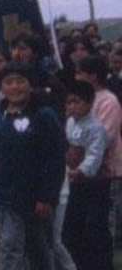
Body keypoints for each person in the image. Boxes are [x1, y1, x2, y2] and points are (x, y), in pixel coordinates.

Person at [0, 61, 67, 270]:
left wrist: (47, 197)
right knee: (11, 246)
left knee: (39, 248)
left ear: (30, 84)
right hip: (6, 197)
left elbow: (55, 158)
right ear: (1, 87)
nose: (14, 87)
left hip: (36, 197)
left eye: (20, 81)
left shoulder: (43, 115)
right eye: (8, 82)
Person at [62, 80, 112, 270]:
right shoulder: (69, 122)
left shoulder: (95, 127)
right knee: (72, 223)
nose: (72, 107)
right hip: (72, 180)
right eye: (69, 102)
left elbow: (94, 154)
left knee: (92, 225)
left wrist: (82, 170)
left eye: (77, 102)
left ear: (90, 103)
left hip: (92, 182)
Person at [75, 54, 122, 243]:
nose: (76, 77)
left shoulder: (108, 101)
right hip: (84, 168)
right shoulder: (80, 98)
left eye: (79, 73)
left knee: (104, 218)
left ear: (93, 76)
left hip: (106, 169)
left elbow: (104, 136)